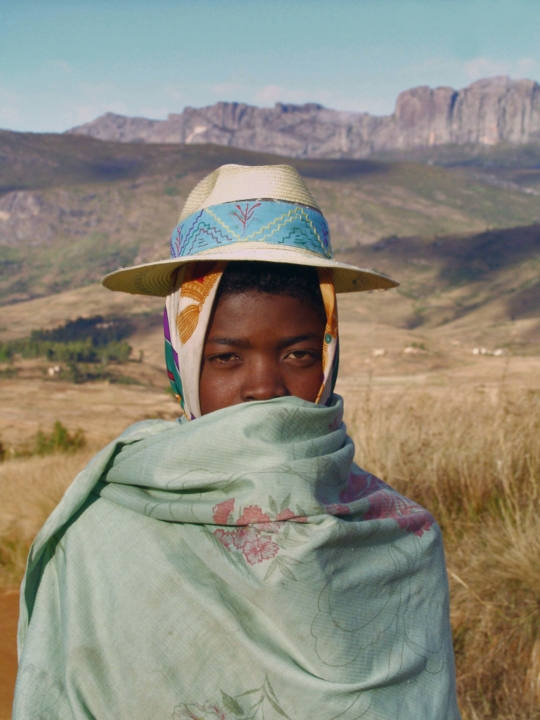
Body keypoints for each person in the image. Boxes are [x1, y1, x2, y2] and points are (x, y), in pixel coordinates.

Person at [14, 165, 461, 719]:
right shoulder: (100, 542)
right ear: (183, 364)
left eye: (298, 354)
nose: (264, 388)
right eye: (226, 357)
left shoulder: (402, 542)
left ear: (329, 355)